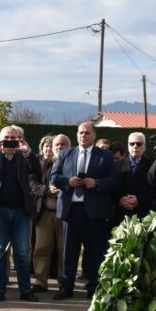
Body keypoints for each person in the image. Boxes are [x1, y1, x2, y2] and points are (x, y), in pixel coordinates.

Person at [50, 121, 118, 299]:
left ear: (94, 135)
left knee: (94, 251)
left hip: (94, 211)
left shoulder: (105, 155)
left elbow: (114, 180)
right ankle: (66, 287)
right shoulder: (65, 154)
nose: (83, 135)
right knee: (69, 251)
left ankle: (93, 286)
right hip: (70, 209)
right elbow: (54, 177)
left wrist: (97, 183)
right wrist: (67, 181)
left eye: (87, 133)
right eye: (80, 132)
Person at [0, 125, 41, 302]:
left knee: (21, 252)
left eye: (13, 138)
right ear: (0, 139)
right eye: (6, 138)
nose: (10, 141)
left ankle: (25, 290)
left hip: (20, 212)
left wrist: (28, 151)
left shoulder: (22, 156)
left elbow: (37, 169)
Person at [30, 134, 69, 293]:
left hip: (66, 212)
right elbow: (32, 183)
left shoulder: (73, 163)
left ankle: (64, 282)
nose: (59, 148)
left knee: (64, 250)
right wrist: (46, 190)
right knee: (41, 248)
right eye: (56, 145)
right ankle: (40, 281)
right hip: (45, 212)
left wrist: (63, 188)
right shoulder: (42, 164)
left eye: (63, 145)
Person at [114, 132, 156, 224]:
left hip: (144, 215)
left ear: (144, 147)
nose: (135, 146)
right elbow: (112, 187)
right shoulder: (116, 166)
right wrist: (120, 200)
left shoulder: (152, 165)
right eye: (132, 144)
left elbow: (155, 189)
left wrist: (139, 199)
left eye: (139, 144)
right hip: (121, 216)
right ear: (128, 146)